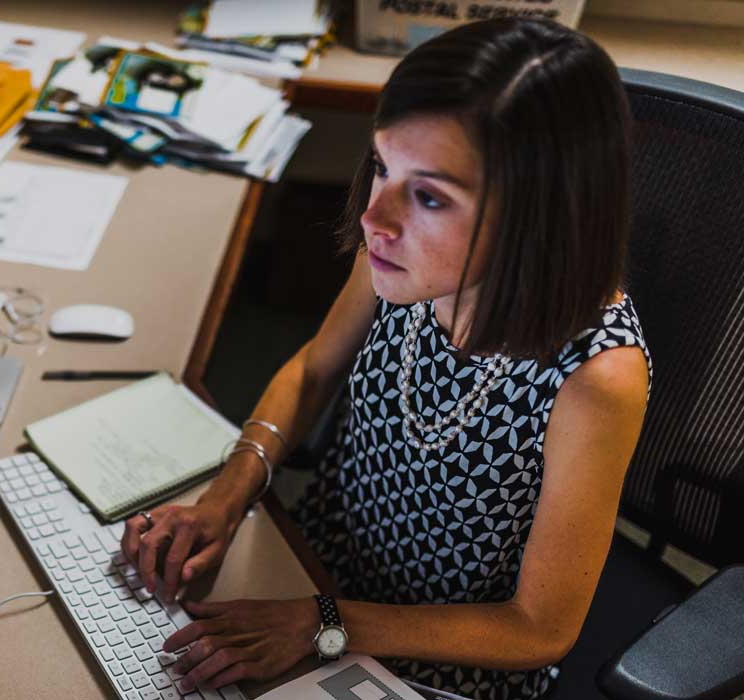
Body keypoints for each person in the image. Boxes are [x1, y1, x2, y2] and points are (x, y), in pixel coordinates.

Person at [120, 17, 651, 700]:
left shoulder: (598, 376)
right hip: (308, 570)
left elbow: (537, 630)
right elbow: (313, 369)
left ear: (538, 214)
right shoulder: (401, 259)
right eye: (381, 167)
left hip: (434, 652)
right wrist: (226, 499)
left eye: (429, 196)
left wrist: (324, 626)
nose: (377, 217)